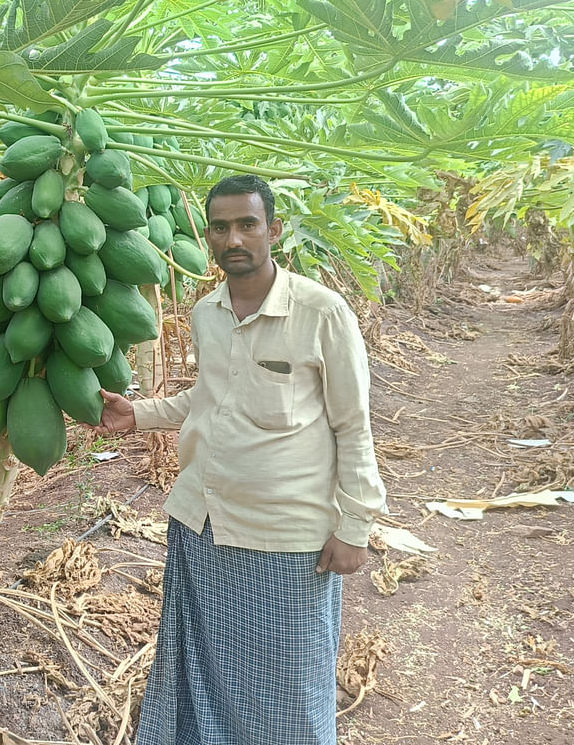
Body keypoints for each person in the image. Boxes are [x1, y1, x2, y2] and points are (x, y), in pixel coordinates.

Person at [93, 174, 388, 745]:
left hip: (285, 534)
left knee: (290, 692)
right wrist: (141, 414)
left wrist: (356, 526)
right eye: (221, 227)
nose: (235, 238)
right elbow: (210, 395)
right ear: (208, 236)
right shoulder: (208, 312)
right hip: (201, 523)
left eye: (248, 224)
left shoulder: (321, 313)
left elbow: (353, 425)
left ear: (273, 230)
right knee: (203, 676)